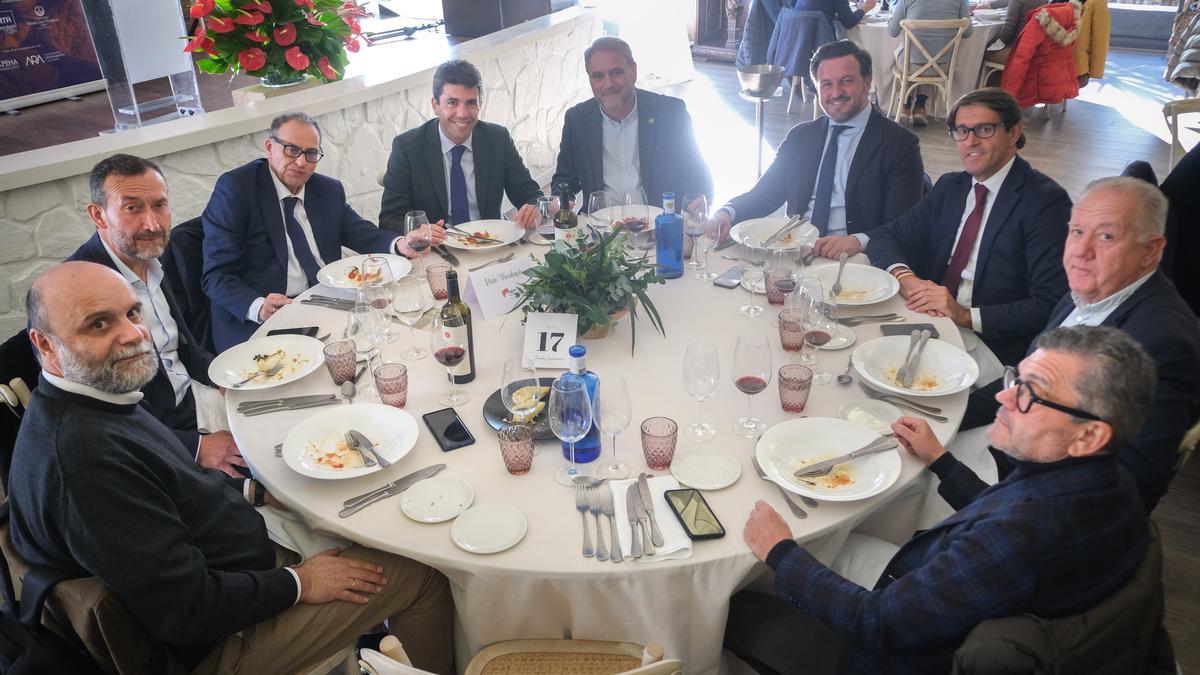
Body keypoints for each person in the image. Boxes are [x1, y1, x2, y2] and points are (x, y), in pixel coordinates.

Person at [9, 261, 454, 674]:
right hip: (220, 643)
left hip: (237, 564)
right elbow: (187, 612)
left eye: (132, 313)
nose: (133, 335)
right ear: (45, 345)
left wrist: (254, 493)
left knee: (354, 508)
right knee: (424, 573)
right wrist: (300, 582)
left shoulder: (97, 398)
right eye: (99, 323)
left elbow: (169, 491)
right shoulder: (85, 462)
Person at [731, 325, 1154, 673]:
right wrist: (942, 461)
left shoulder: (1019, 536)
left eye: (1030, 393)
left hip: (900, 652)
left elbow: (877, 623)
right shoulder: (1114, 481)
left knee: (740, 587)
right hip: (947, 595)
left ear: (1089, 434)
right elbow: (1002, 510)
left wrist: (782, 552)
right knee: (829, 539)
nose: (1003, 398)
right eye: (1015, 379)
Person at [947, 177, 1200, 511]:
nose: (1081, 251)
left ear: (1150, 250)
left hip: (1031, 495)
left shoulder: (1160, 346)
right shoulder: (1092, 287)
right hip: (1013, 435)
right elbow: (1026, 385)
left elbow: (1131, 487)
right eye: (1077, 231)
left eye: (1107, 236)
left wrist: (954, 473)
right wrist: (950, 416)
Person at [865, 87, 1070, 373]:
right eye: (961, 130)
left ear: (1014, 132)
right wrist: (906, 277)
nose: (970, 141)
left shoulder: (1045, 203)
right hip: (929, 322)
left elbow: (1050, 303)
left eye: (984, 129)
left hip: (989, 343)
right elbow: (887, 235)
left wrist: (963, 315)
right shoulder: (952, 186)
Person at [67, 154, 244, 477]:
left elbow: (182, 346)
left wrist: (225, 380)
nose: (152, 224)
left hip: (193, 397)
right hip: (154, 439)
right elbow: (101, 419)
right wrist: (193, 447)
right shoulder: (76, 295)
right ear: (99, 215)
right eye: (132, 208)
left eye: (159, 206)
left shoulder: (152, 258)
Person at [202, 112, 437, 351]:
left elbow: (360, 232)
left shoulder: (327, 190)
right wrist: (258, 306)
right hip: (268, 319)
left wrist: (400, 244)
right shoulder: (237, 189)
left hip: (329, 303)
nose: (302, 162)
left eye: (311, 153)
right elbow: (216, 275)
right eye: (291, 150)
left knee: (409, 334)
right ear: (270, 147)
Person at [716, 40, 924, 260]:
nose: (836, 92)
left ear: (867, 82)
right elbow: (766, 193)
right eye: (826, 84)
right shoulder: (800, 137)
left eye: (846, 81)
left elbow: (903, 223)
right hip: (794, 250)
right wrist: (728, 211)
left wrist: (857, 241)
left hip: (855, 259)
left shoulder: (900, 144)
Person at [379, 60, 543, 232]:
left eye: (471, 103)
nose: (463, 114)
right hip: (438, 250)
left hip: (491, 243)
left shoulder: (497, 139)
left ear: (480, 103)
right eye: (452, 103)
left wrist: (534, 208)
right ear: (435, 105)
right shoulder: (408, 147)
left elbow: (529, 194)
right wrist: (419, 232)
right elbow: (389, 219)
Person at [551, 37, 712, 209]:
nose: (608, 84)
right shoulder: (577, 120)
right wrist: (561, 200)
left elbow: (698, 176)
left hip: (658, 225)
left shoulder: (669, 113)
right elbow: (564, 180)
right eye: (598, 76)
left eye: (616, 73)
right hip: (602, 227)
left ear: (633, 72)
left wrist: (698, 204)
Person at [888, 0, 973, 126]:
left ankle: (904, 105)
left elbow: (892, 31)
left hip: (912, 66)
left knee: (906, 53)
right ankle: (920, 106)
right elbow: (967, 32)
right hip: (942, 66)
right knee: (931, 57)